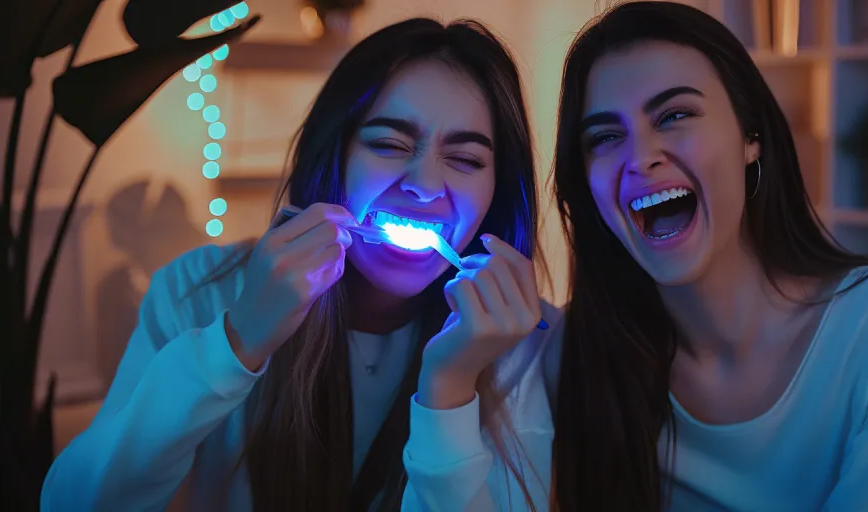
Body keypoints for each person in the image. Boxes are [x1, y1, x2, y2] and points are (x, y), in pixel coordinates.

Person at [403, 2, 868, 511]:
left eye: (674, 116)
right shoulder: (567, 356)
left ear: (750, 136)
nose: (640, 157)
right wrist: (446, 381)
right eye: (604, 137)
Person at [41, 17, 558, 512]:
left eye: (466, 159)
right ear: (332, 153)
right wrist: (237, 341)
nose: (423, 186)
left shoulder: (518, 341)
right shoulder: (197, 292)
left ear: (497, 192)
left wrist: (451, 388)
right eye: (388, 143)